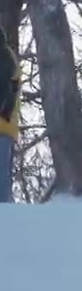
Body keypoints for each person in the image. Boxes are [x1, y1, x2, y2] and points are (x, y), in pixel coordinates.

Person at [0, 25, 18, 203]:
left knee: (1, 182)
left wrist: (4, 112)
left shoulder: (4, 58)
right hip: (5, 126)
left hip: (2, 126)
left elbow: (8, 90)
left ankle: (6, 217)